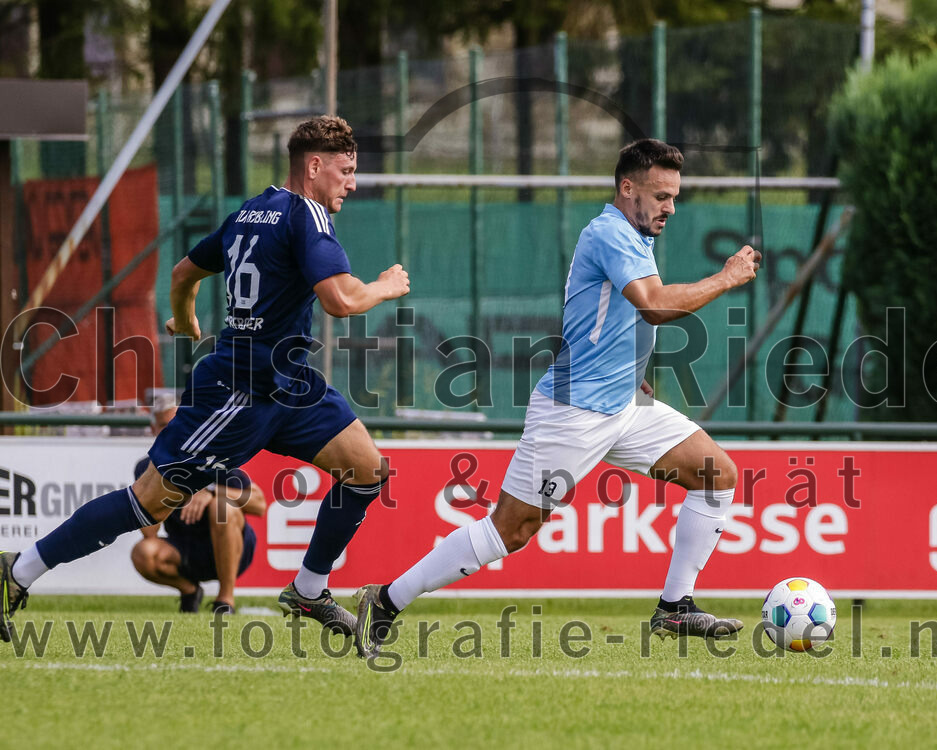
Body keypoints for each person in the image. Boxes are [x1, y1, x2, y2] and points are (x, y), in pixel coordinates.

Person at [0, 115, 410, 642]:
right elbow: (341, 299)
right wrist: (384, 285)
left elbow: (183, 273)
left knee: (367, 471)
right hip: (237, 392)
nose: (351, 183)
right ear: (314, 167)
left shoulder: (251, 210)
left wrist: (186, 315)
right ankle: (16, 573)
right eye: (346, 170)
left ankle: (308, 591)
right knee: (146, 500)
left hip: (287, 382)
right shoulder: (306, 214)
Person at [353, 139, 761, 659]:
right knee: (512, 529)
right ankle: (385, 600)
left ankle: (675, 605)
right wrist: (727, 277)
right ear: (626, 187)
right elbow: (655, 306)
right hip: (574, 410)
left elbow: (608, 314)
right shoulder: (611, 232)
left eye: (675, 197)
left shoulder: (634, 233)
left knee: (716, 473)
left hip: (624, 405)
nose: (670, 208)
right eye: (661, 196)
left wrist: (631, 370)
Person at [131, 393, 266, 615]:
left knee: (222, 508)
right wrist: (172, 489)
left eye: (176, 424)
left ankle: (225, 600)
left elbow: (259, 504)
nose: (171, 431)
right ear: (154, 429)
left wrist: (210, 492)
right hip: (183, 550)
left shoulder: (214, 457)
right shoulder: (147, 468)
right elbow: (149, 533)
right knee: (143, 553)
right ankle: (190, 590)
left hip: (232, 551)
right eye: (165, 426)